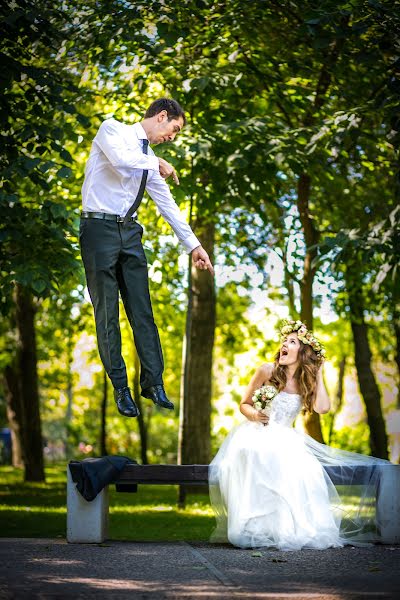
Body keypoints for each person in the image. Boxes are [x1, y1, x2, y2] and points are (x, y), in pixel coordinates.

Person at [80, 98, 214, 418]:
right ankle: (121, 388)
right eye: (174, 129)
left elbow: (167, 204)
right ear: (162, 116)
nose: (173, 136)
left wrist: (194, 245)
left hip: (130, 234)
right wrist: (157, 164)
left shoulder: (149, 159)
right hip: (98, 230)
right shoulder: (112, 130)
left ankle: (153, 382)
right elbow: (120, 159)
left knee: (143, 310)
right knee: (108, 314)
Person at [209, 319, 393, 551]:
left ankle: (286, 529)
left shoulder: (307, 380)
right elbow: (244, 404)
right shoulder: (267, 370)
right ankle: (256, 528)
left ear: (304, 352)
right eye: (284, 341)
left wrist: (319, 373)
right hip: (257, 432)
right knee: (258, 454)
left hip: (286, 437)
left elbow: (323, 408)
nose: (284, 344)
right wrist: (255, 415)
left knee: (307, 470)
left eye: (292, 341)